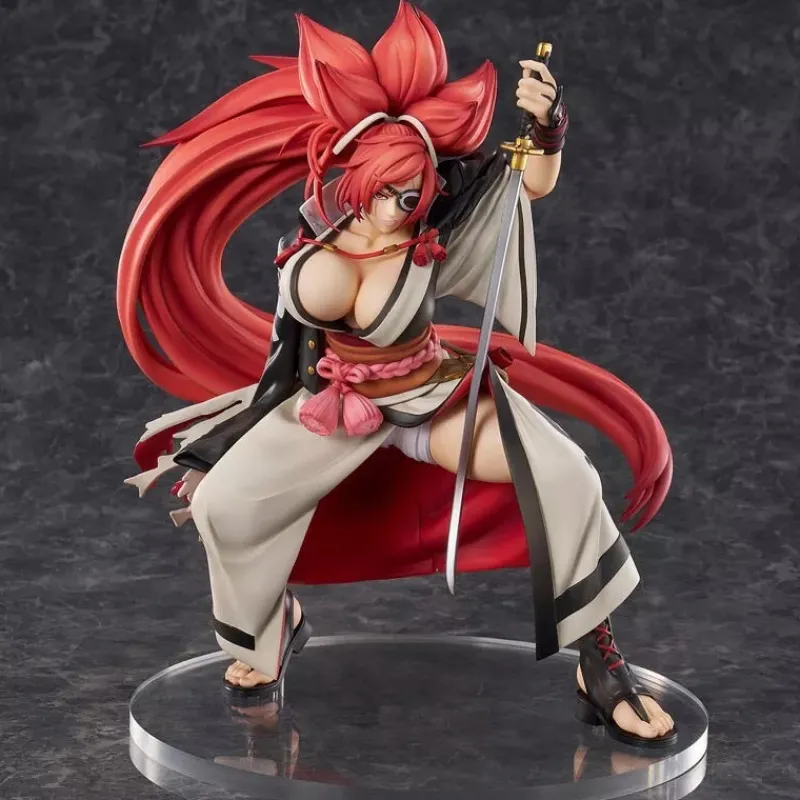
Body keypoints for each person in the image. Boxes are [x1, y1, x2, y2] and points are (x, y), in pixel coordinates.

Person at [118, 1, 676, 748]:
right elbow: (289, 349)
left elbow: (529, 185)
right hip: (328, 405)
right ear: (355, 176)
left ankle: (600, 664)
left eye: (412, 195)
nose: (396, 209)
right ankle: (273, 624)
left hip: (428, 396)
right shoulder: (315, 227)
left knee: (566, 473)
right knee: (221, 503)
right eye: (383, 191)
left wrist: (547, 127)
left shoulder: (432, 225)